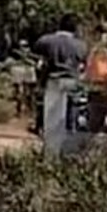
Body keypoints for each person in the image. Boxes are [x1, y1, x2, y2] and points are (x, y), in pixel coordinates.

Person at [33, 14, 87, 156]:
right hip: (72, 82)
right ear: (75, 28)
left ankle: (51, 153)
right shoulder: (80, 45)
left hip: (54, 82)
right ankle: (70, 153)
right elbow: (83, 63)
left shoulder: (47, 40)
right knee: (72, 119)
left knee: (52, 120)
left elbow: (36, 49)